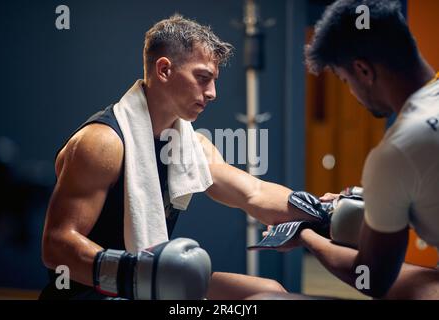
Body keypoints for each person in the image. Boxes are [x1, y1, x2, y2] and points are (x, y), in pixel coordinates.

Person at [39, 14, 316, 300]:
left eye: (213, 81)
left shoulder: (192, 145)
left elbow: (254, 194)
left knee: (271, 293)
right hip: (91, 292)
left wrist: (322, 212)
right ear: (164, 70)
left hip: (154, 279)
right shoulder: (103, 143)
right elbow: (56, 246)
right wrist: (138, 273)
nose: (212, 93)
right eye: (202, 78)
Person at [256, 0, 439, 300]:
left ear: (363, 70)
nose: (352, 93)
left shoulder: (397, 150)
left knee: (265, 299)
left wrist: (304, 236)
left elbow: (372, 278)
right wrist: (369, 196)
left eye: (345, 80)